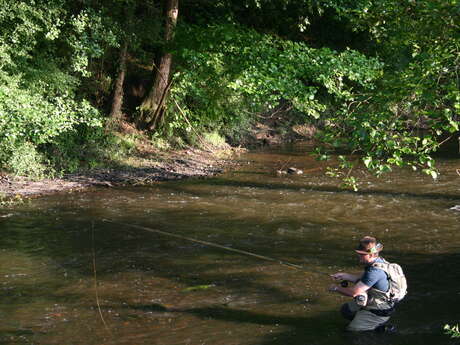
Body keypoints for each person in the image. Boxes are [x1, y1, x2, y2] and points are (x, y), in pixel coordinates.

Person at [328, 236, 401, 332]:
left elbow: (354, 292)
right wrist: (345, 276)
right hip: (375, 301)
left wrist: (335, 288)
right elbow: (363, 280)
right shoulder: (379, 262)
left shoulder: (374, 272)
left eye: (361, 254)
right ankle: (365, 322)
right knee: (346, 310)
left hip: (379, 310)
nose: (358, 256)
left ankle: (381, 329)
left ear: (370, 255)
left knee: (352, 331)